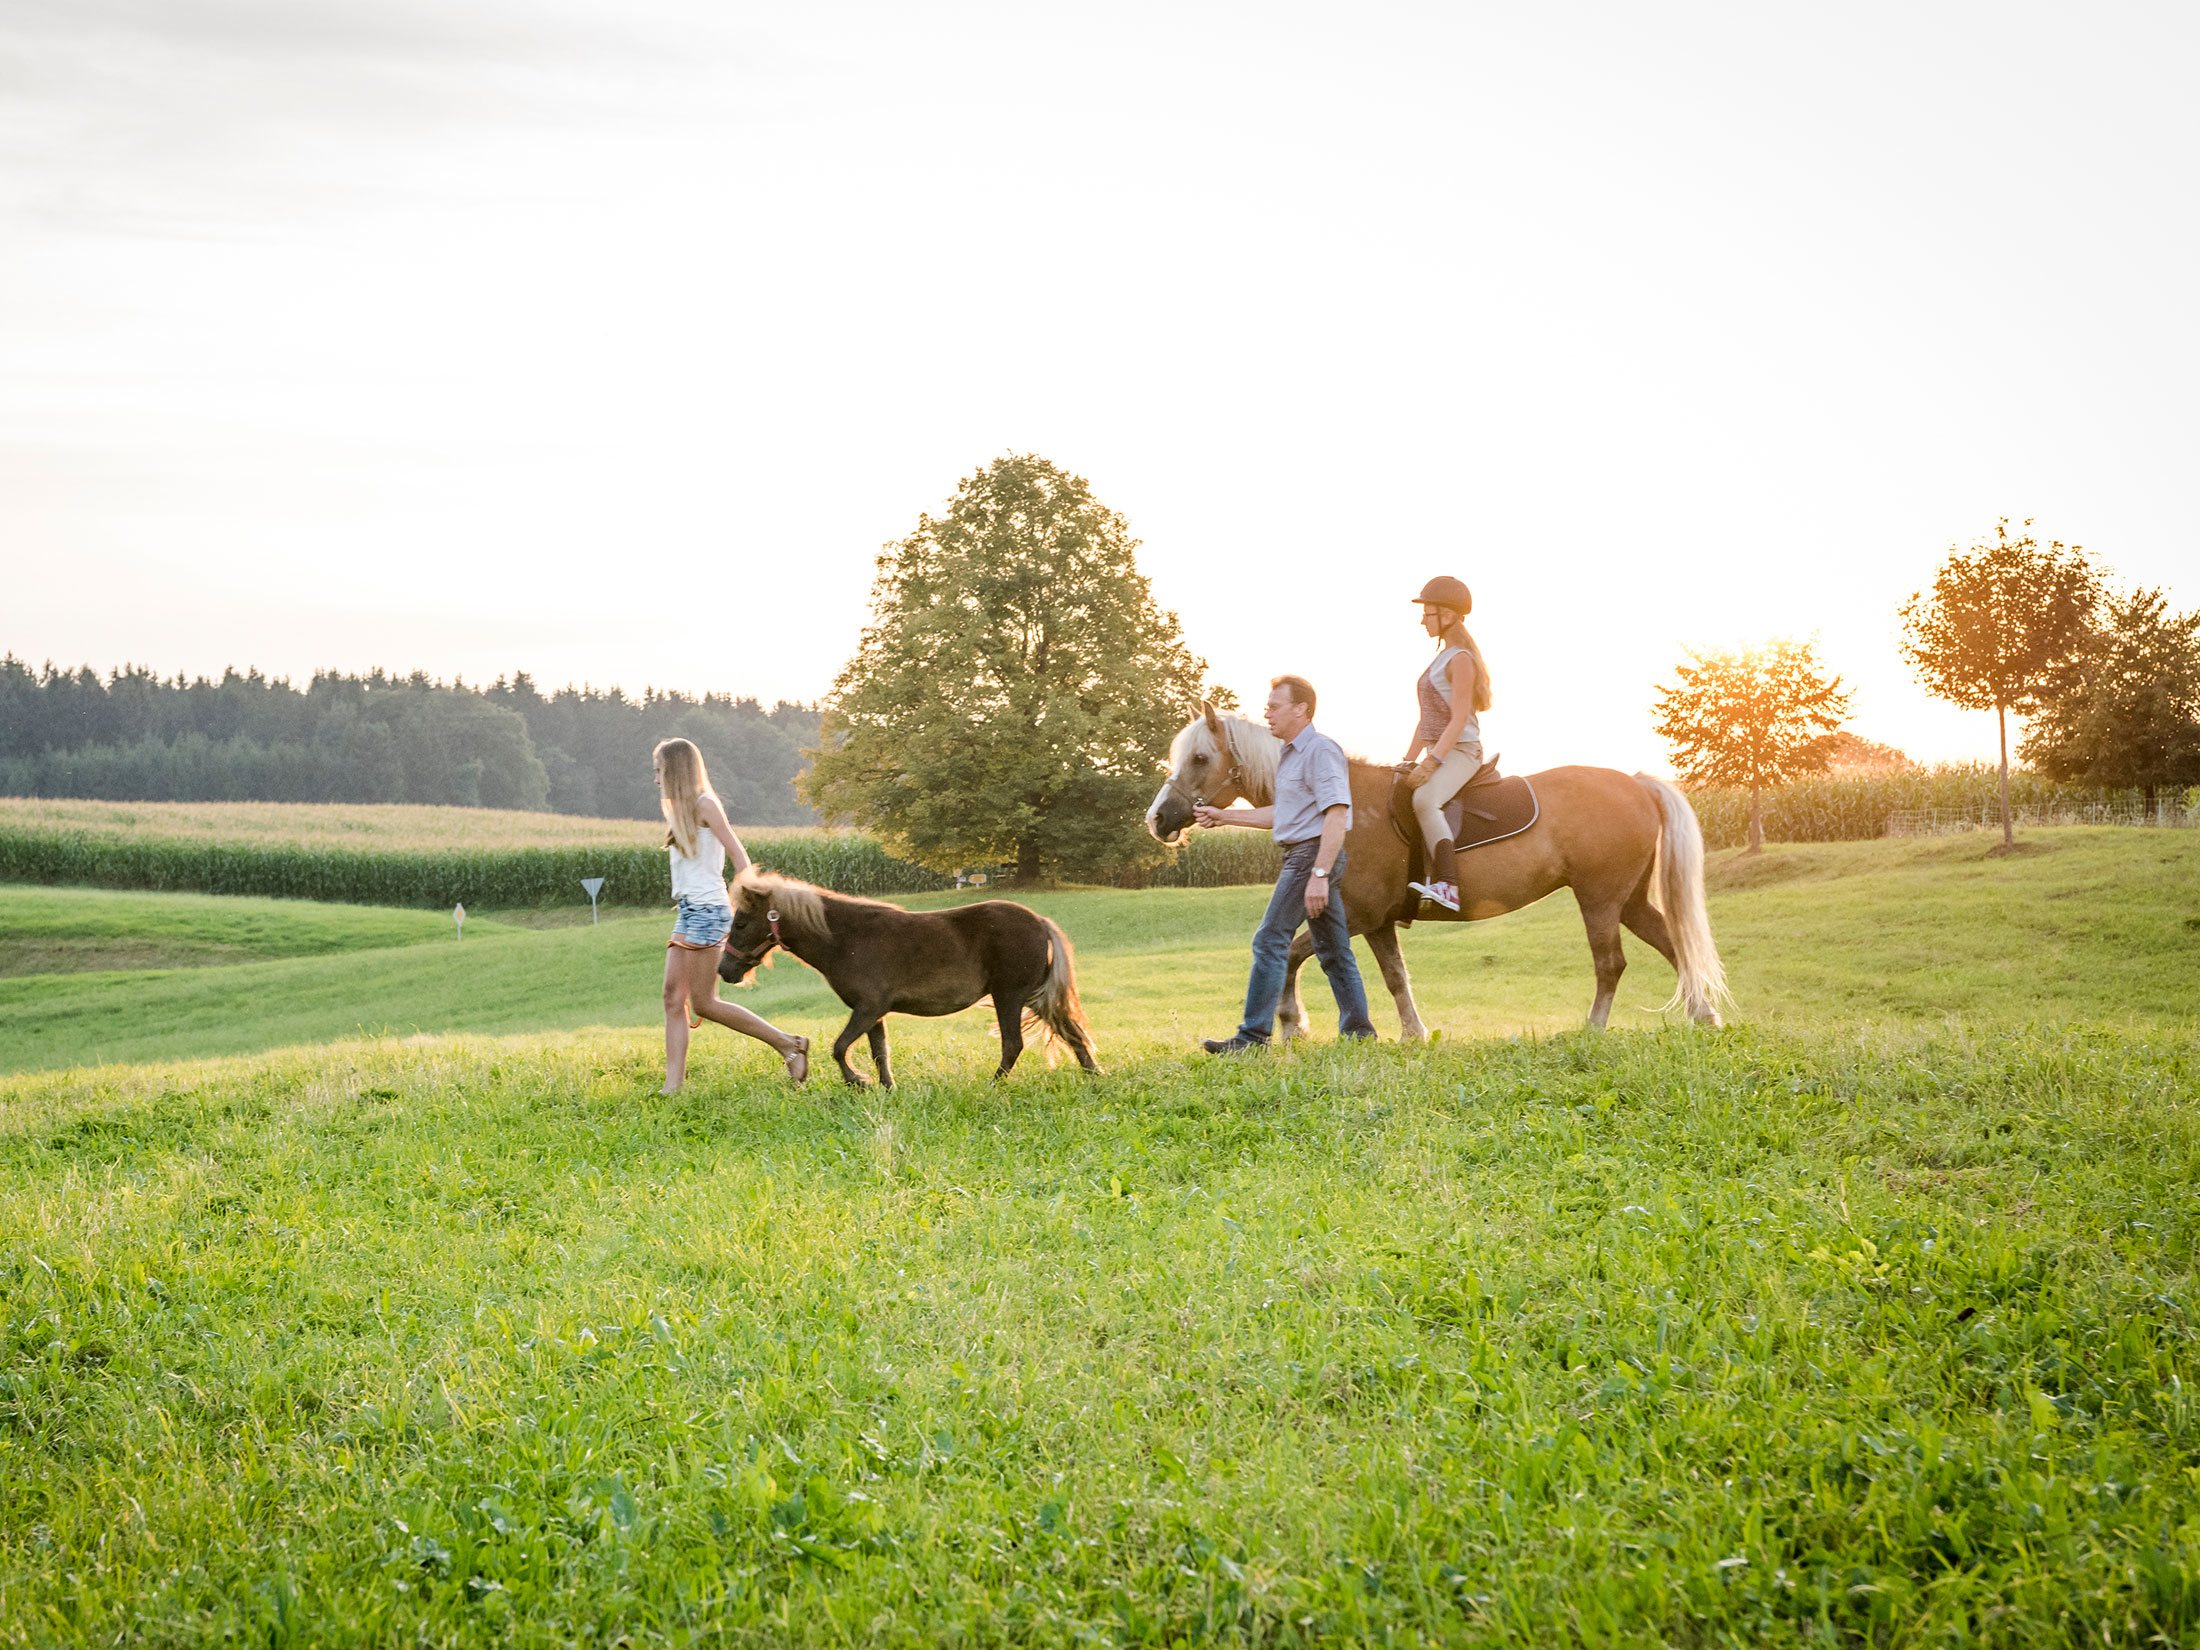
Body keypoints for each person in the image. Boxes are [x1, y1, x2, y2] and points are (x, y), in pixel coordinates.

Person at [1194, 675, 1377, 1051]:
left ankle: (1252, 1037)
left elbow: (1337, 813)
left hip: (1311, 857)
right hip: (1303, 854)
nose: (1267, 713)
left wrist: (1320, 874)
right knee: (1333, 949)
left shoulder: (1321, 751)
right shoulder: (1290, 755)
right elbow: (1283, 815)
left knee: (1270, 939)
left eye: (1274, 706)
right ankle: (1360, 1034)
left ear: (1301, 709)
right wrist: (1224, 816)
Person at [653, 737, 809, 1093]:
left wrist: (748, 902)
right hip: (690, 910)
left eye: (659, 771)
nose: (656, 778)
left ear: (675, 770)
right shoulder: (677, 808)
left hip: (709, 911)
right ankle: (671, 1087)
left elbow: (739, 855)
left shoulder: (706, 804)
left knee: (705, 1003)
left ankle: (789, 1044)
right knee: (672, 997)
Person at [1401, 575, 1493, 913]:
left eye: (1428, 612)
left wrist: (1432, 761)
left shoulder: (1461, 660)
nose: (1423, 619)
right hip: (1439, 750)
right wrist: (1407, 759)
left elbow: (1457, 721)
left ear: (1449, 615)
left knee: (1425, 800)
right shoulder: (1440, 659)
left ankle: (1448, 886)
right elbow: (1426, 720)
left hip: (1463, 750)